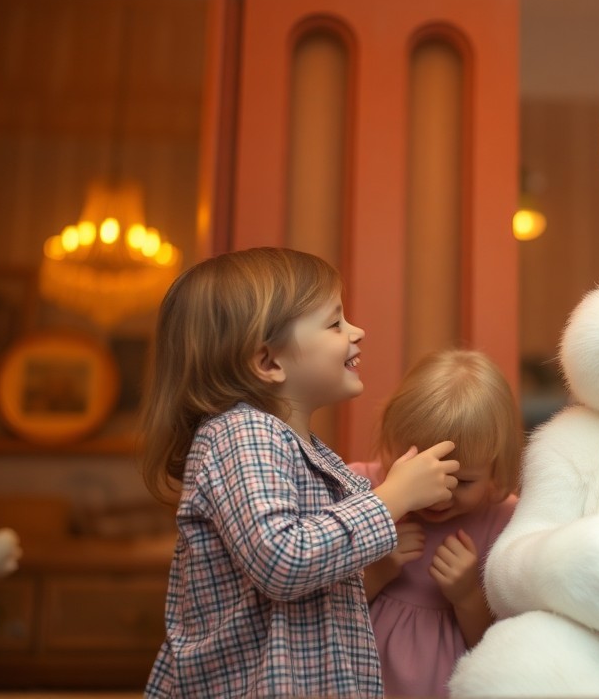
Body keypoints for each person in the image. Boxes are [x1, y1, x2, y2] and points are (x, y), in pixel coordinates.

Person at [139, 247, 460, 699]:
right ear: (268, 362)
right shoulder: (242, 433)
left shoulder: (308, 452)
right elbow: (283, 559)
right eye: (335, 324)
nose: (357, 331)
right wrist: (393, 498)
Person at [349, 349, 522, 697]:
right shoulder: (361, 489)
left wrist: (468, 595)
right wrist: (378, 569)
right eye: (423, 471)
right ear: (390, 441)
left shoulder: (505, 520)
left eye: (464, 481)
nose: (440, 495)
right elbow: (320, 612)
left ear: (496, 467)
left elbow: (500, 651)